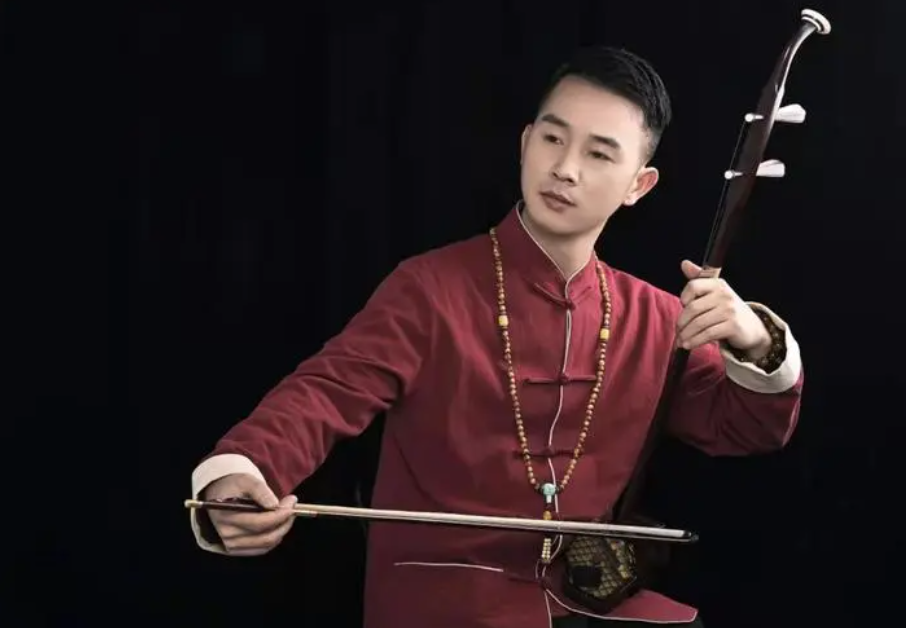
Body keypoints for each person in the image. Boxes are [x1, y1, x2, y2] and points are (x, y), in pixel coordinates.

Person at [188, 46, 803, 628]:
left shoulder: (655, 318)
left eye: (598, 154)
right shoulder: (430, 288)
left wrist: (755, 342)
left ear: (637, 186)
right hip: (441, 603)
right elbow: (325, 393)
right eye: (553, 139)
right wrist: (243, 473)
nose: (564, 169)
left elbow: (746, 427)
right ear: (525, 143)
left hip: (582, 601)